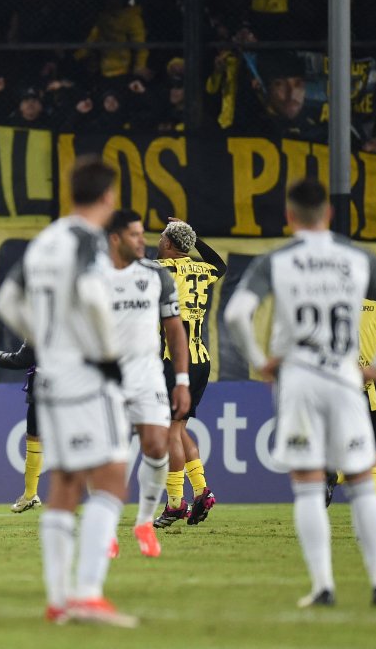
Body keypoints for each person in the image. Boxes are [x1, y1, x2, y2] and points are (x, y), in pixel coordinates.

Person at [225, 178, 376, 608]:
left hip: (299, 380)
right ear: (331, 214)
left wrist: (259, 358)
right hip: (345, 380)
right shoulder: (355, 258)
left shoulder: (279, 260)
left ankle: (323, 587)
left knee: (306, 484)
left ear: (289, 217)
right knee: (361, 482)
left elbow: (235, 314)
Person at [0, 157, 136, 627]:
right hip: (86, 373)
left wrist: (46, 339)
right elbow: (95, 298)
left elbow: (7, 301)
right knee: (113, 476)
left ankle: (59, 600)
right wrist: (107, 353)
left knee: (66, 482)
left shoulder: (46, 241)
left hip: (51, 374)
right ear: (109, 196)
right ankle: (89, 594)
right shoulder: (87, 240)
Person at [106, 209, 190, 558]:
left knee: (156, 445)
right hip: (106, 376)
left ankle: (143, 523)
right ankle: (105, 528)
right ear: (115, 239)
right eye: (134, 235)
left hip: (148, 374)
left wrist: (182, 380)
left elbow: (174, 328)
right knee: (113, 456)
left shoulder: (157, 276)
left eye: (143, 234)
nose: (142, 240)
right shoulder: (94, 277)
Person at [153, 218, 226, 528]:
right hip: (201, 359)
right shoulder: (202, 270)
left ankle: (174, 503)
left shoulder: (161, 269)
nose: (157, 241)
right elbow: (219, 265)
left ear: (169, 245)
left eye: (161, 238)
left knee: (169, 431)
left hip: (175, 360)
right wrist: (192, 236)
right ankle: (202, 491)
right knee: (179, 429)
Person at [327, 298, 376, 512]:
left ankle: (334, 475)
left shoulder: (337, 308)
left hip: (346, 392)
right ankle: (369, 516)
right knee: (374, 458)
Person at [0, 342, 41, 513]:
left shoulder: (40, 319)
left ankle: (30, 495)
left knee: (35, 438)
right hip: (76, 386)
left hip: (45, 387)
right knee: (79, 443)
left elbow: (22, 359)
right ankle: (100, 498)